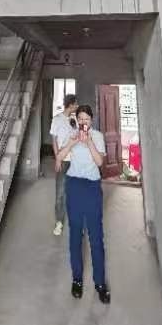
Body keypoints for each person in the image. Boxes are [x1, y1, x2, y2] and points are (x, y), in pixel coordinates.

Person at [56, 104, 110, 304]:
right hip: (74, 186)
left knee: (96, 236)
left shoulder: (98, 136)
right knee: (75, 235)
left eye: (87, 119)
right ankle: (77, 279)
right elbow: (60, 157)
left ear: (91, 120)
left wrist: (89, 143)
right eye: (80, 119)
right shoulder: (72, 135)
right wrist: (72, 143)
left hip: (92, 187)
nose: (83, 122)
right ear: (77, 120)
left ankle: (100, 283)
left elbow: (99, 162)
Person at [50, 94, 78, 236]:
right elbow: (54, 141)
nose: (77, 106)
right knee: (60, 193)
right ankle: (59, 222)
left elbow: (78, 137)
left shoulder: (74, 120)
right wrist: (57, 159)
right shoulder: (57, 119)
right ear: (70, 105)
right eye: (76, 104)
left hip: (75, 160)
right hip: (63, 160)